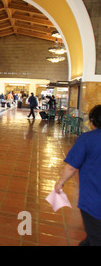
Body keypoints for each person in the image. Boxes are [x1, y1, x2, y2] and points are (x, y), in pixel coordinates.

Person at [55, 105, 101, 246]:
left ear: (92, 121)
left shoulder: (87, 139)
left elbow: (71, 166)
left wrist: (60, 182)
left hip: (93, 202)